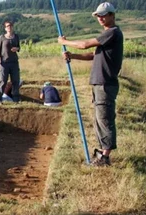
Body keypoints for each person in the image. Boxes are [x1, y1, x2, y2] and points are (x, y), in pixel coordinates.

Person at [58, 2, 123, 166]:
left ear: (112, 15)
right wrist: (72, 56)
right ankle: (102, 153)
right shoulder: (107, 36)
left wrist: (64, 42)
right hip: (99, 84)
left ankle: (105, 157)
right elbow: (92, 55)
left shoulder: (112, 32)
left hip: (105, 84)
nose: (100, 18)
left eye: (103, 15)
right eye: (98, 16)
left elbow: (84, 44)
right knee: (99, 119)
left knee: (104, 119)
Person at [0, 20, 21, 105]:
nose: (9, 27)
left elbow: (19, 47)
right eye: (7, 26)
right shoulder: (2, 37)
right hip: (4, 63)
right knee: (3, 81)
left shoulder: (16, 36)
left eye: (10, 25)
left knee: (15, 81)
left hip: (14, 62)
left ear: (12, 27)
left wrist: (16, 49)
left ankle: (16, 99)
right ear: (5, 28)